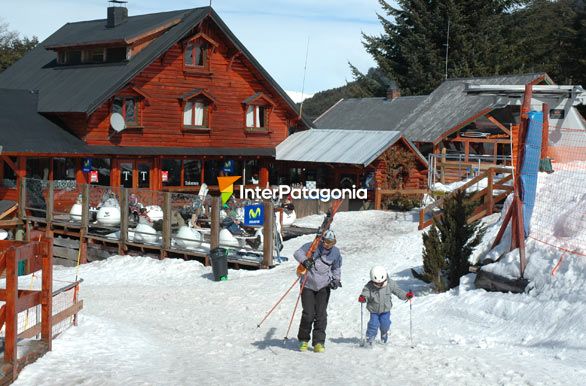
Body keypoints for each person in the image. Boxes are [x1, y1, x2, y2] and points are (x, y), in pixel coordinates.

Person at [294, 230, 342, 353]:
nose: (328, 245)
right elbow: (297, 253)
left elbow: (336, 267)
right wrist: (305, 261)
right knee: (309, 314)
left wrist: (336, 280)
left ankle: (319, 342)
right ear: (322, 240)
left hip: (324, 286)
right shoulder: (313, 246)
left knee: (321, 314)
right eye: (326, 242)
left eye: (331, 243)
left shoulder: (335, 252)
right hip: (308, 285)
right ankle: (303, 340)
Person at [358, 266, 414, 346]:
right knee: (373, 325)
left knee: (385, 325)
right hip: (374, 311)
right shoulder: (369, 286)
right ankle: (369, 340)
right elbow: (365, 292)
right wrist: (363, 297)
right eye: (376, 283)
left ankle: (384, 337)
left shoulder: (390, 284)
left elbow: (398, 291)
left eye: (381, 283)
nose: (379, 284)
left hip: (385, 311)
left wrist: (406, 295)